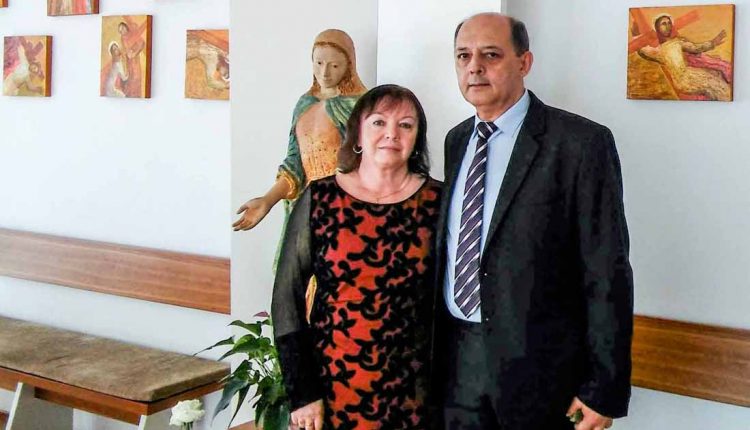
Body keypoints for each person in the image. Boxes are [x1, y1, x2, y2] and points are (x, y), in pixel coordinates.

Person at [434, 13, 634, 430]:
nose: (474, 67)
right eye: (463, 56)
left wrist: (604, 386)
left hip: (543, 375)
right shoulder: (456, 140)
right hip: (457, 367)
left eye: (491, 55)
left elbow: (606, 270)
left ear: (524, 62)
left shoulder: (580, 143)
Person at [272, 84, 441, 430]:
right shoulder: (319, 198)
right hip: (331, 389)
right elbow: (286, 297)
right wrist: (302, 393)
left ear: (417, 139)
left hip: (417, 393)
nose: (392, 134)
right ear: (358, 134)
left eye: (406, 125)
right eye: (379, 122)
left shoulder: (440, 202)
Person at [232, 29, 367, 233]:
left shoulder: (362, 106)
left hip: (347, 210)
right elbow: (295, 163)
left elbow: (371, 163)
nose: (324, 73)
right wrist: (268, 200)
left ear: (349, 65)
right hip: (307, 207)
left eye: (334, 65)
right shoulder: (305, 103)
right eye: (318, 63)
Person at [637, 14, 731, 101]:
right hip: (684, 80)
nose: (668, 26)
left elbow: (696, 48)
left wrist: (713, 43)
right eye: (664, 24)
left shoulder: (677, 42)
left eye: (669, 23)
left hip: (689, 75)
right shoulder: (657, 51)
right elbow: (641, 49)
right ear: (657, 28)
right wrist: (638, 37)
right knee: (717, 85)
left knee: (716, 77)